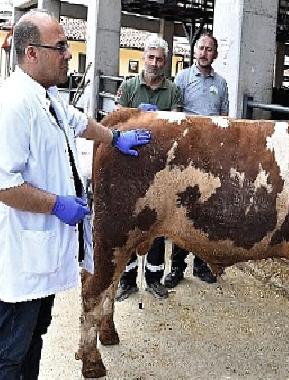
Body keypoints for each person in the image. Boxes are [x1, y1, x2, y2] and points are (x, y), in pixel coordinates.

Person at [0, 10, 151, 379]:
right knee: (9, 351)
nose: (69, 54)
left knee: (34, 336)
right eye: (61, 47)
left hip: (41, 253)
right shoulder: (14, 106)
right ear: (31, 53)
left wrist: (116, 137)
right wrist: (57, 205)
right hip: (19, 257)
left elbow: (78, 122)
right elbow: (4, 185)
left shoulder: (45, 95)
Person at [115, 35, 182, 302]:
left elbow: (178, 124)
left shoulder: (173, 90)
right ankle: (127, 280)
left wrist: (160, 119)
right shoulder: (129, 85)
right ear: (144, 58)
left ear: (166, 62)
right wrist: (135, 115)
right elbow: (117, 121)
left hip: (159, 166)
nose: (154, 63)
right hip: (130, 162)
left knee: (157, 221)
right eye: (151, 57)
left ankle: (154, 279)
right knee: (130, 221)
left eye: (160, 59)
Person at [164, 33, 229, 288]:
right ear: (194, 51)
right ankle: (177, 267)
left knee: (206, 211)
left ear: (215, 54)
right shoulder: (182, 79)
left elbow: (225, 119)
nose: (204, 53)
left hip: (211, 156)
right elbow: (176, 114)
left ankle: (202, 264)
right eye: (200, 48)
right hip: (188, 154)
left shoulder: (221, 83)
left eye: (209, 49)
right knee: (182, 209)